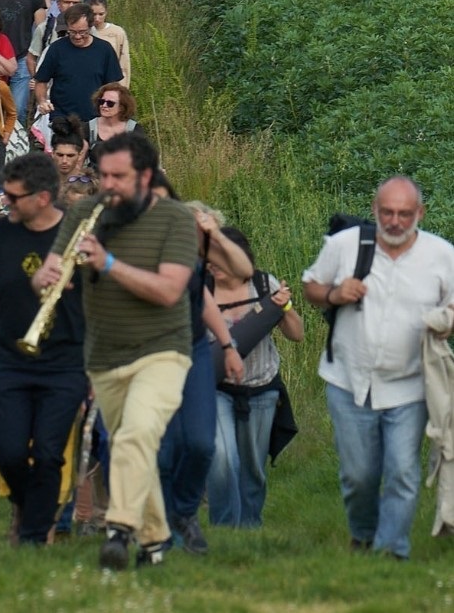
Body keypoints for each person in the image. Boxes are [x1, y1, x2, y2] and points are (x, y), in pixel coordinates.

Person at [33, 132, 198, 569]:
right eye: (103, 174)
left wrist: (107, 264)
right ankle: (156, 540)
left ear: (144, 176)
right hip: (104, 354)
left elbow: (168, 291)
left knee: (134, 434)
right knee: (134, 449)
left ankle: (119, 531)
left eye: (119, 177)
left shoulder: (177, 219)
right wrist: (47, 279)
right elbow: (47, 269)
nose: (108, 184)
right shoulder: (85, 211)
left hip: (163, 349)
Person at [302, 176, 454, 560]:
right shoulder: (345, 246)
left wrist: (445, 321)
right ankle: (363, 534)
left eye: (405, 213)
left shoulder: (442, 255)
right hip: (347, 380)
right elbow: (311, 287)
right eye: (387, 212)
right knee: (359, 475)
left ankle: (392, 551)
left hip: (411, 385)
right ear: (375, 210)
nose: (396, 221)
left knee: (402, 472)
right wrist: (336, 294)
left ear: (420, 213)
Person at [0, 153, 89, 545]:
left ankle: (33, 538)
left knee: (50, 454)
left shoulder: (80, 235)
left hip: (65, 364)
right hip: (11, 362)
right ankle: (26, 508)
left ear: (44, 198)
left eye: (15, 198)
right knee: (11, 454)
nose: (6, 203)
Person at [155, 198, 249, 557]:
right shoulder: (155, 246)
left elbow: (240, 271)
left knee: (201, 445)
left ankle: (183, 514)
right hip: (154, 352)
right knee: (165, 450)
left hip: (196, 354)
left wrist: (228, 345)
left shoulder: (204, 257)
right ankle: (163, 530)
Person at [207, 226, 305, 528]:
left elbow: (297, 334)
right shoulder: (203, 289)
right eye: (209, 258)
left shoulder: (263, 283)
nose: (212, 265)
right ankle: (224, 527)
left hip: (262, 388)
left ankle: (249, 529)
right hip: (217, 389)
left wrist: (283, 306)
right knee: (222, 459)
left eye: (220, 258)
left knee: (252, 467)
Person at [34, 3, 122, 122]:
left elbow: (113, 86)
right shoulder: (56, 49)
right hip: (62, 117)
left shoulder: (104, 50)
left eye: (82, 32)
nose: (77, 36)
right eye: (72, 32)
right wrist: (42, 101)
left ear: (91, 27)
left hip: (95, 118)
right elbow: (41, 80)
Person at [27, 0, 82, 74]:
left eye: (75, 3)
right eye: (67, 2)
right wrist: (36, 79)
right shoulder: (45, 28)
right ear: (58, 4)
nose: (71, 6)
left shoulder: (90, 29)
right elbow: (31, 58)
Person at [88, 82, 144, 151]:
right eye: (101, 101)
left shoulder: (134, 129)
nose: (104, 105)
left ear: (121, 107)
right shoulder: (89, 128)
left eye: (110, 103)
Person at [89, 0, 130, 87]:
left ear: (106, 12)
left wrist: (122, 87)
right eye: (93, 14)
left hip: (111, 82)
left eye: (101, 14)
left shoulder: (117, 32)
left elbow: (124, 62)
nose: (97, 18)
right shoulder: (84, 32)